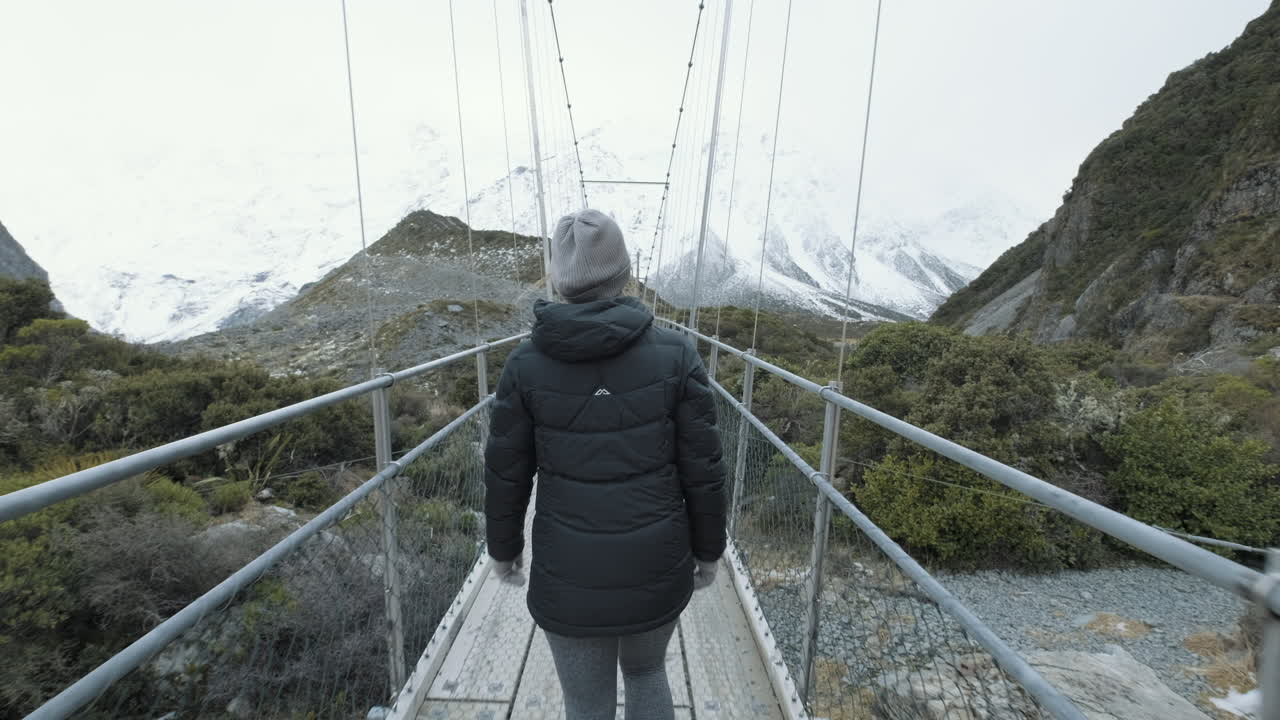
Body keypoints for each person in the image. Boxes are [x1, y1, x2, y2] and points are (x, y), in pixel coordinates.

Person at [484, 208, 728, 720]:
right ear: (624, 272)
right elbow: (702, 467)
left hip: (567, 569)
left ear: (559, 279)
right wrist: (709, 551)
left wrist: (503, 550)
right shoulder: (677, 354)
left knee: (586, 703)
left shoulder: (524, 364)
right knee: (646, 674)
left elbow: (506, 472)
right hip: (656, 562)